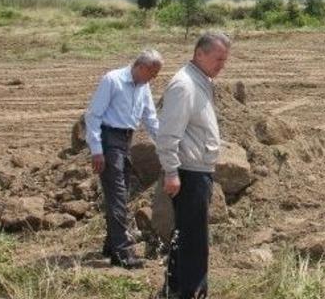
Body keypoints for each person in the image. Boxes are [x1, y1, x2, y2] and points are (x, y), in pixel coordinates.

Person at [156, 31, 230, 299]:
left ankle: (174, 290)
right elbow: (168, 134)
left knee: (188, 235)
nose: (222, 64)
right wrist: (171, 172)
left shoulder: (200, 81)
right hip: (188, 173)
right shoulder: (184, 85)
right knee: (194, 241)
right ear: (199, 53)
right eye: (218, 58)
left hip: (197, 171)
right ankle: (190, 292)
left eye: (225, 59)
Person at [84, 49, 162, 269]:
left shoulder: (143, 86)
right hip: (109, 141)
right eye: (153, 73)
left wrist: (166, 144)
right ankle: (123, 253)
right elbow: (93, 115)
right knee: (117, 195)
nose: (154, 78)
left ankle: (111, 245)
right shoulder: (113, 80)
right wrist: (97, 150)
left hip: (126, 141)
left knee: (121, 194)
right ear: (142, 67)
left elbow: (150, 118)